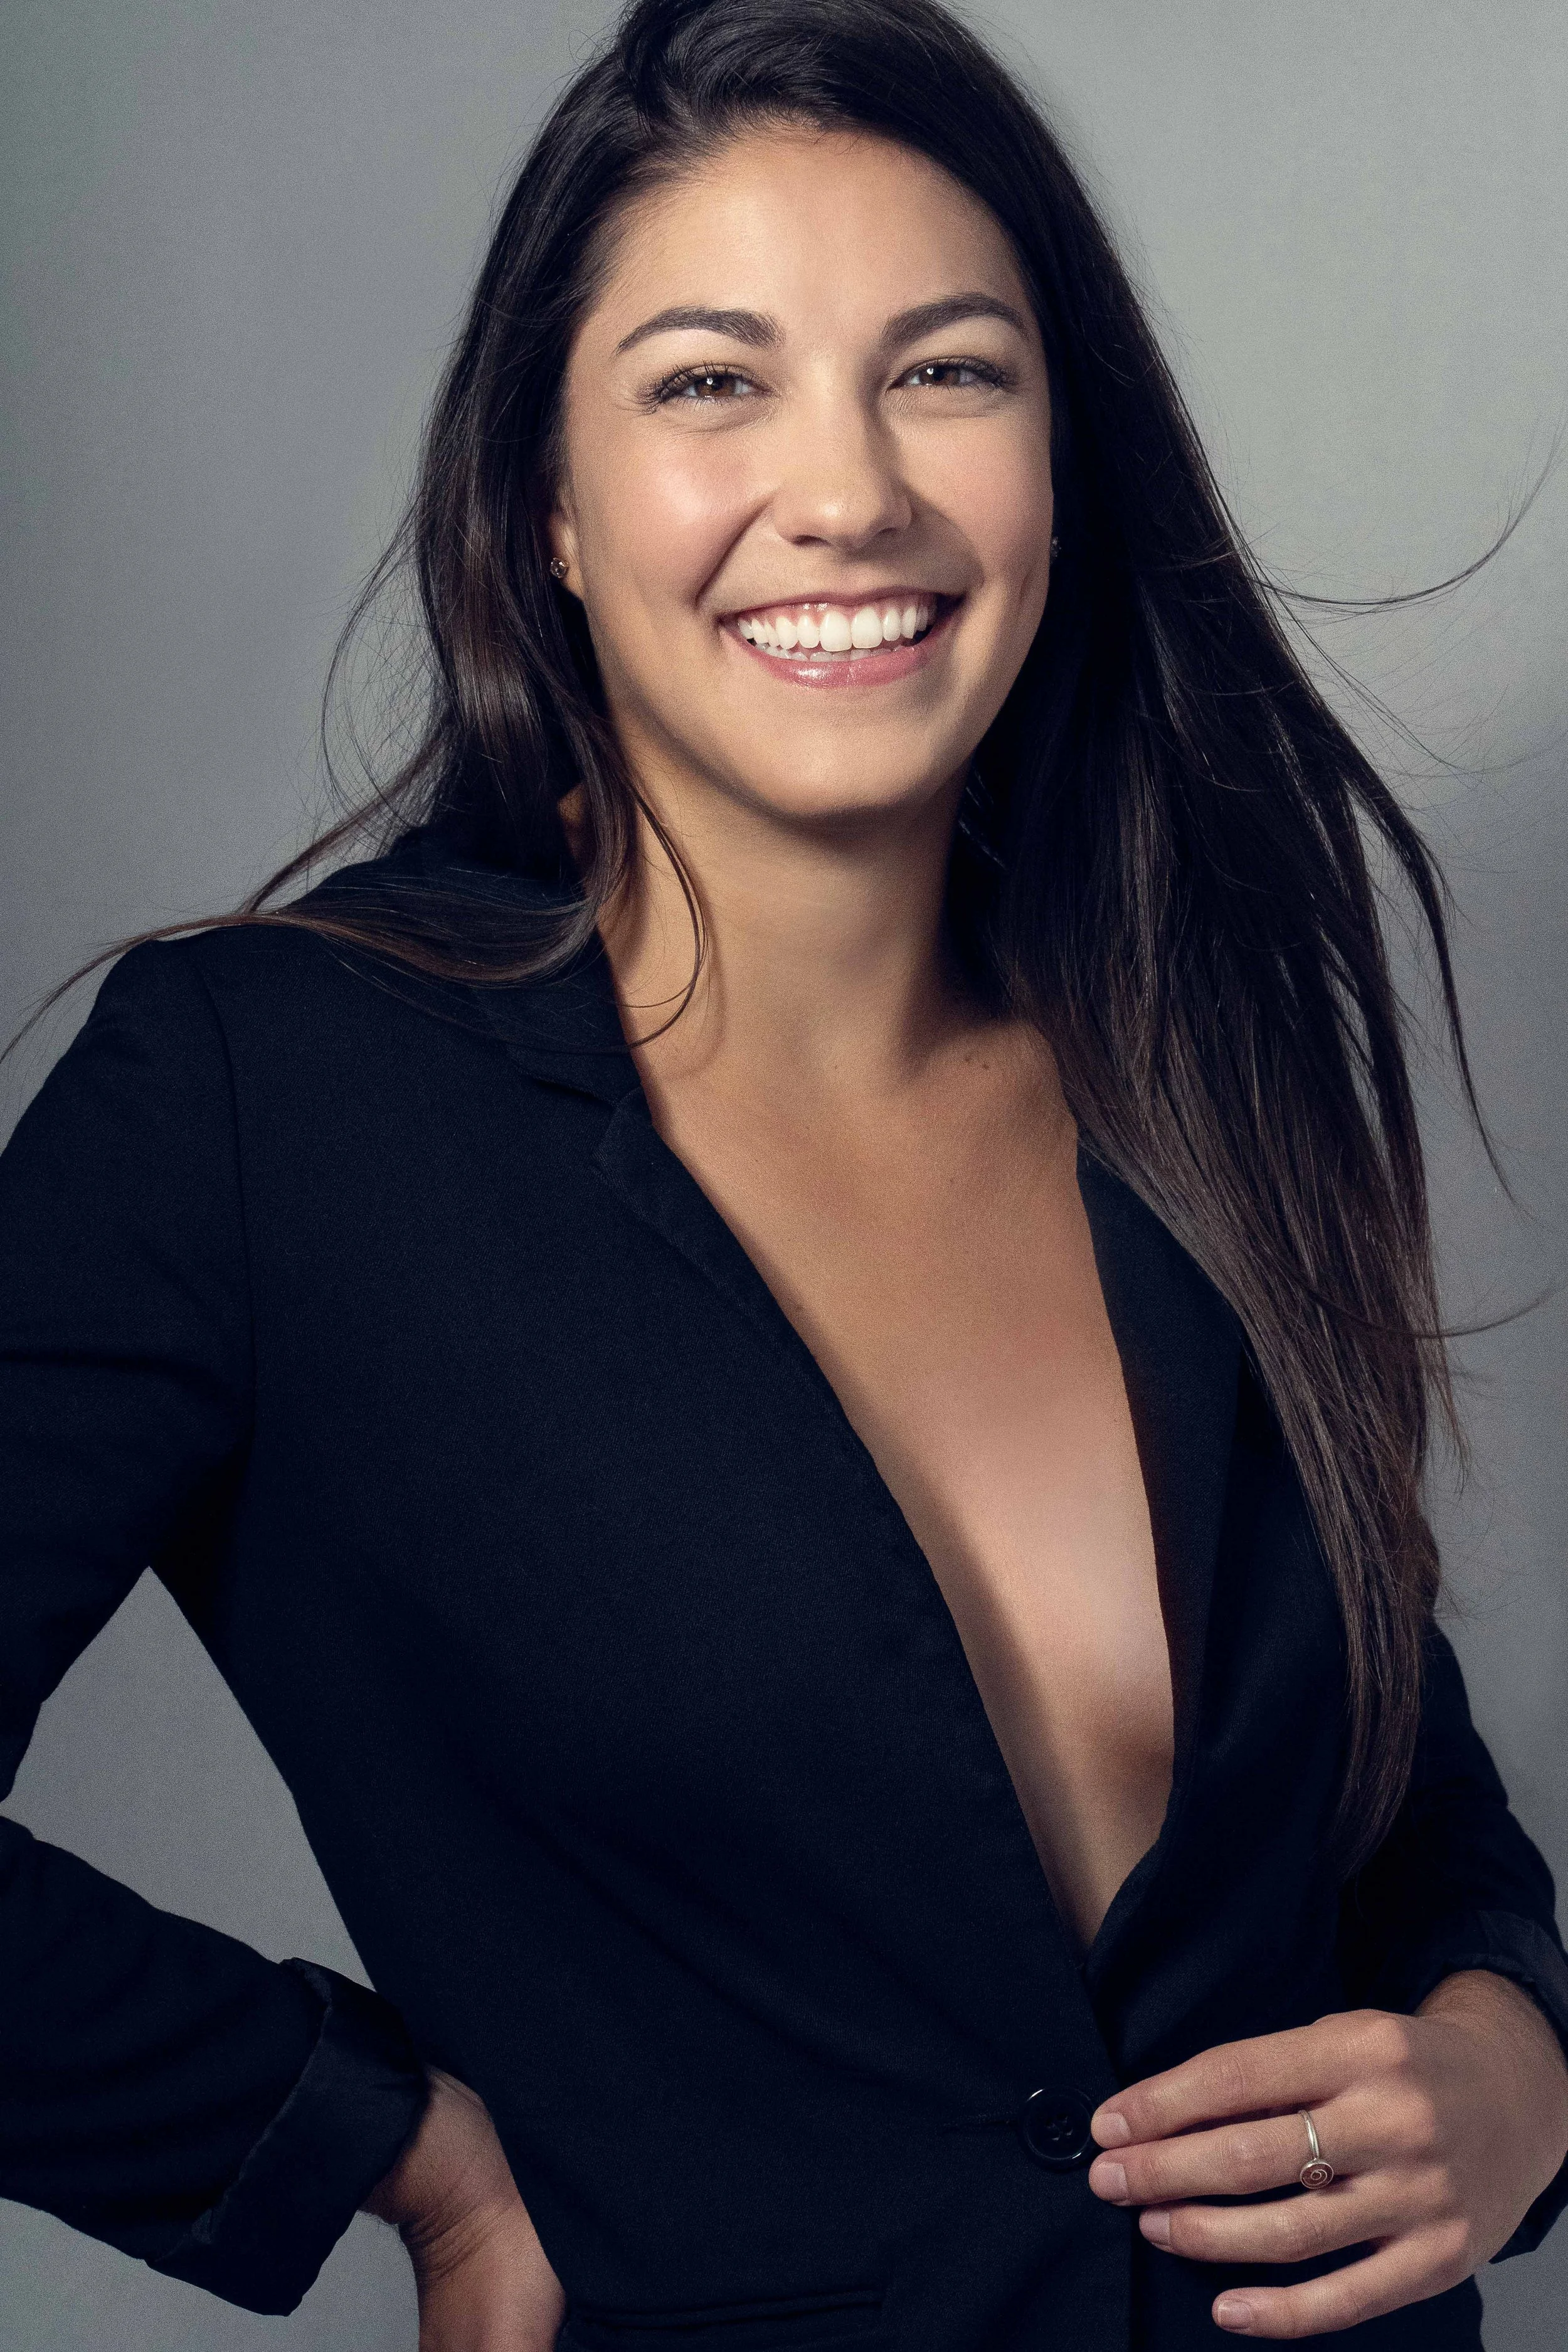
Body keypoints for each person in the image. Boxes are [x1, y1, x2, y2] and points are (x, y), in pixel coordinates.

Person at [2, 1, 1565, 2345]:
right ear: (542, 501)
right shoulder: (264, 1096)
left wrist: (1514, 2059)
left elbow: (1374, 1774)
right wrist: (381, 2147)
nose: (847, 490)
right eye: (709, 382)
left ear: (1062, 463)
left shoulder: (1190, 1053)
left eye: (947, 371)